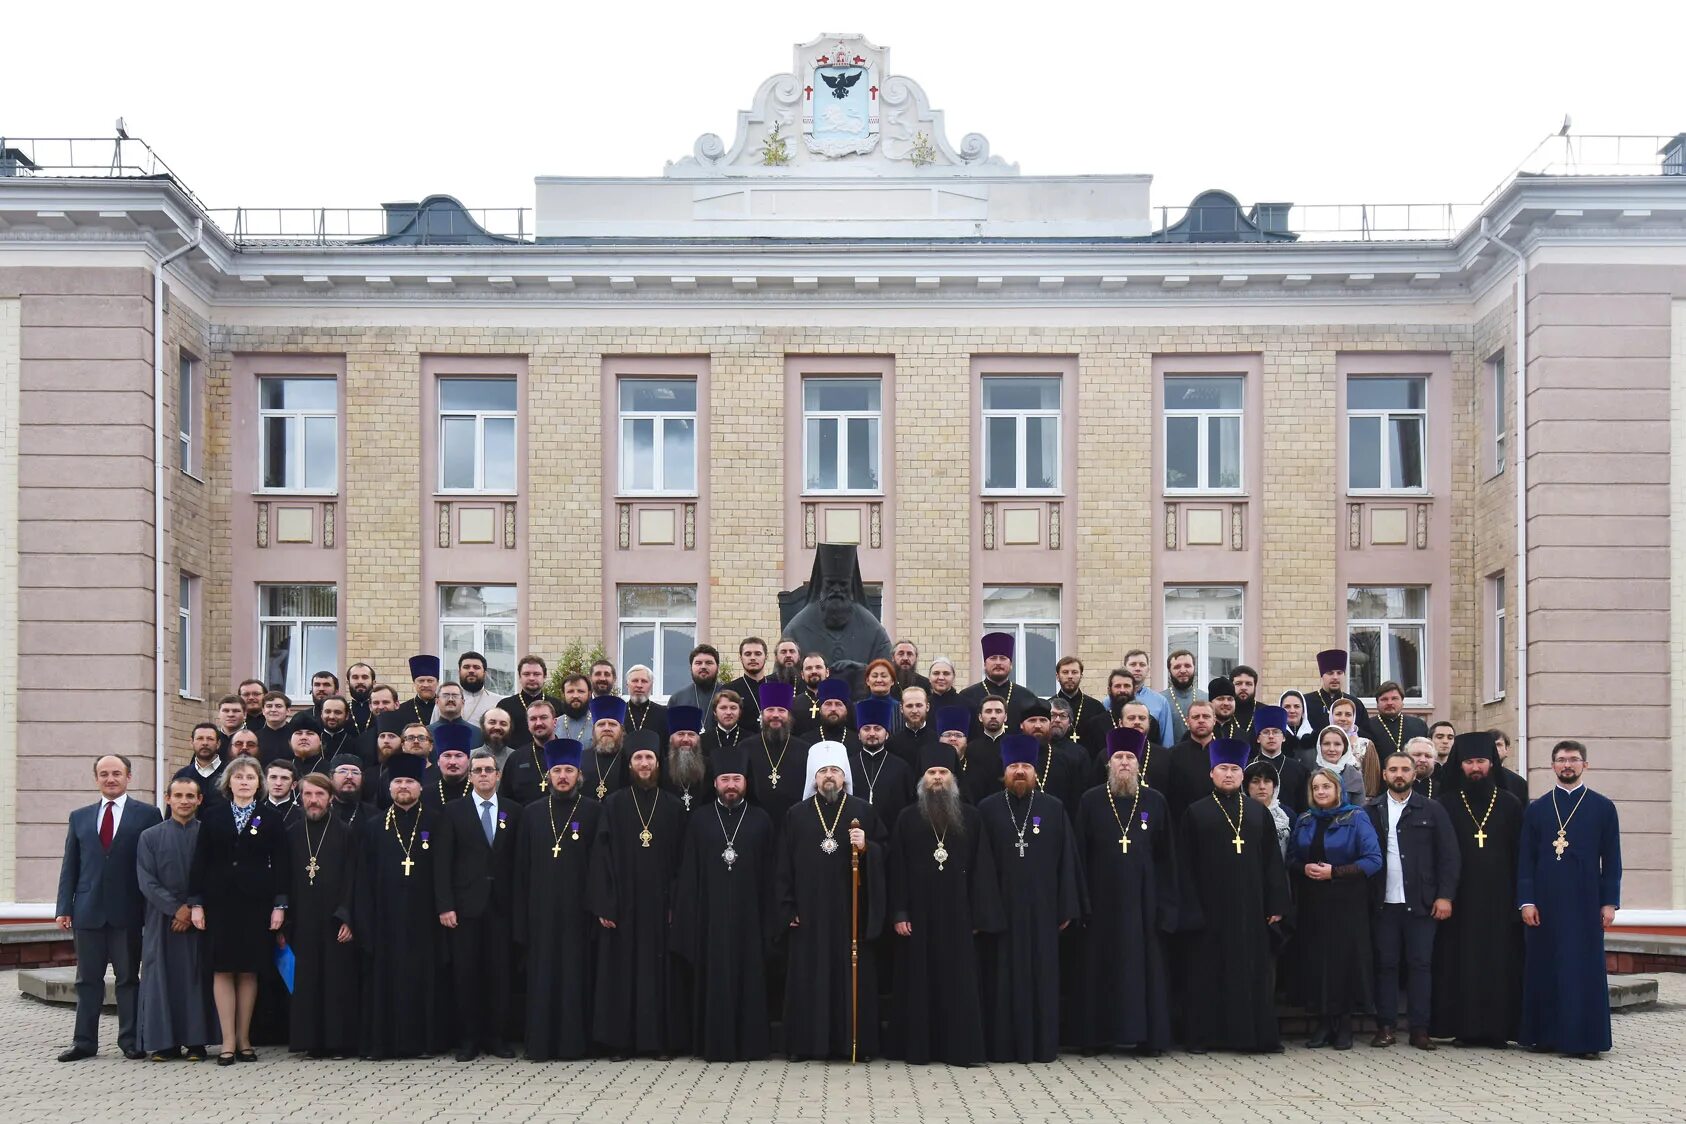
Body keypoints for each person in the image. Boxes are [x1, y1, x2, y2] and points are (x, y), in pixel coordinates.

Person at [886, 744, 1002, 1066]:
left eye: (943, 773)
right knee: (918, 981)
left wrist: (980, 914)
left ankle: (960, 1050)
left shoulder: (972, 817)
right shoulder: (907, 818)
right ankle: (920, 1049)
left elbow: (983, 869)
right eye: (931, 773)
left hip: (959, 913)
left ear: (953, 779)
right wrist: (899, 912)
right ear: (922, 780)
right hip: (918, 915)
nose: (937, 778)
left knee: (959, 980)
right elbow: (897, 869)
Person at [1174, 738, 1290, 1054]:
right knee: (1206, 973)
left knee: (1250, 972)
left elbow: (1272, 863)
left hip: (1251, 908)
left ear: (1242, 775)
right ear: (1212, 773)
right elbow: (1184, 865)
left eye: (1235, 769)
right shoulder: (1195, 813)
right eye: (1223, 768)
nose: (1229, 774)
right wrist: (1191, 908)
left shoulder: (1257, 813)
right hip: (1209, 910)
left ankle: (1250, 1037)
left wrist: (1276, 905)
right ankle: (1203, 1037)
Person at [776, 741, 885, 1061]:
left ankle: (856, 1044)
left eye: (835, 771)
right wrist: (787, 906)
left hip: (850, 911)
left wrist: (867, 847)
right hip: (808, 914)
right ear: (813, 778)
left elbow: (885, 852)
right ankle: (806, 1045)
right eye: (823, 771)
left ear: (844, 777)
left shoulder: (862, 810)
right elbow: (782, 865)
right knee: (809, 976)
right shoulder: (796, 815)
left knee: (853, 977)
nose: (829, 777)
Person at [976, 734, 1082, 1063]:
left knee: (1042, 977)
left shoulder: (1053, 807)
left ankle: (1042, 1046)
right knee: (1001, 978)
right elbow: (980, 864)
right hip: (1001, 910)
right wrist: (984, 910)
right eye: (1013, 766)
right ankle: (1002, 1047)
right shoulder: (988, 808)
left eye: (1025, 766)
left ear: (1035, 773)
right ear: (1003, 772)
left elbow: (1068, 861)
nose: (1019, 771)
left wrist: (1067, 906)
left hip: (1043, 909)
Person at [1072, 728, 1177, 1056]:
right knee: (1099, 968)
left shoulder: (1155, 801)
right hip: (1101, 901)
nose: (1124, 763)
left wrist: (1166, 907)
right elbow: (1079, 854)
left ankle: (1146, 1038)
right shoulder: (1090, 800)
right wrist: (1082, 903)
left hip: (1143, 903)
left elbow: (1167, 858)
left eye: (1130, 757)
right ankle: (1097, 1037)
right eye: (1118, 757)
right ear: (1108, 763)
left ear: (1139, 763)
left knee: (1142, 969)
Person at [669, 744, 776, 1062]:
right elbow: (688, 873)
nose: (731, 785)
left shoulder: (761, 820)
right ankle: (712, 1045)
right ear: (714, 783)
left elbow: (771, 874)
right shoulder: (700, 820)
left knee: (751, 978)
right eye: (725, 779)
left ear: (747, 783)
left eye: (737, 779)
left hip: (750, 918)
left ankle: (752, 1046)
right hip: (710, 918)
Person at [1518, 740, 1622, 1059]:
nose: (1567, 765)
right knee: (1546, 966)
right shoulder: (1537, 808)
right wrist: (1526, 901)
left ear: (1584, 766)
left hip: (1585, 900)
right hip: (1545, 902)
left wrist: (1609, 902)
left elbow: (1612, 860)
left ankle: (1584, 1040)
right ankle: (1546, 1036)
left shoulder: (1603, 807)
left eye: (1573, 760)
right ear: (1552, 766)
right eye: (1561, 760)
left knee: (1581, 968)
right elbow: (1526, 859)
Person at [55, 754, 161, 1062]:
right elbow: (70, 865)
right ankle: (84, 1043)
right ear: (96, 778)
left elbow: (151, 865)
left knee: (128, 979)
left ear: (129, 777)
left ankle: (131, 1040)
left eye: (116, 773)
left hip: (127, 911)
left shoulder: (147, 814)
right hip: (87, 911)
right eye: (104, 774)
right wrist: (64, 906)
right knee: (87, 981)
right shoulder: (80, 817)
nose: (110, 778)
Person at [188, 756, 291, 1065]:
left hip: (256, 904)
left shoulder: (270, 817)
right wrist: (196, 903)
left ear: (258, 783)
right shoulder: (212, 816)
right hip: (219, 903)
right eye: (238, 777)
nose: (244, 781)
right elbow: (199, 861)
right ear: (228, 782)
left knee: (248, 970)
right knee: (222, 969)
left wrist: (280, 905)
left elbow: (283, 864)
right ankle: (228, 1041)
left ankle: (245, 1038)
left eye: (250, 777)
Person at [590, 738, 685, 1059]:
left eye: (649, 758)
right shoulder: (614, 804)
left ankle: (657, 1043)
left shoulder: (672, 805)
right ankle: (620, 1043)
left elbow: (682, 861)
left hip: (660, 905)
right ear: (629, 765)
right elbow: (600, 856)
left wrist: (675, 903)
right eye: (638, 759)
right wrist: (605, 902)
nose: (644, 764)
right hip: (623, 905)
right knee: (621, 973)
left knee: (658, 976)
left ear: (658, 764)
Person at [511, 739, 602, 1061]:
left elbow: (600, 865)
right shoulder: (532, 813)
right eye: (557, 771)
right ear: (548, 775)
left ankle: (576, 1045)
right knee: (543, 976)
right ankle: (541, 1045)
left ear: (579, 775)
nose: (563, 776)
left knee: (577, 976)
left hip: (579, 910)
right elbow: (521, 869)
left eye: (569, 771)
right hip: (541, 912)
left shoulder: (593, 811)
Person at [1432, 732, 1524, 1046]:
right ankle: (1465, 1029)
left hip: (1500, 899)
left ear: (1491, 763)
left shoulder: (1510, 804)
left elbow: (1519, 855)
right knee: (1462, 962)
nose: (1475, 768)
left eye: (1481, 762)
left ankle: (1499, 1030)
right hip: (1460, 899)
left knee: (1499, 963)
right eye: (1469, 762)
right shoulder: (1444, 804)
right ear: (1459, 765)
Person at [1364, 750, 1460, 1050]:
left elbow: (1449, 856)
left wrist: (1445, 896)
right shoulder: (1371, 810)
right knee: (1386, 965)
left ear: (1414, 774)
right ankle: (1386, 1027)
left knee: (1420, 965)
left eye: (1405, 769)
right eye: (1393, 769)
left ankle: (1420, 1029)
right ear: (1384, 775)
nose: (1399, 774)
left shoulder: (1432, 810)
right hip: (1383, 903)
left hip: (1421, 902)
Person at [356, 751, 444, 1059]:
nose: (403, 786)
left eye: (409, 781)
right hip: (385, 917)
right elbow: (363, 877)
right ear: (389, 787)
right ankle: (382, 1044)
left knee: (422, 979)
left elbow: (444, 871)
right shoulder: (373, 825)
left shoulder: (436, 821)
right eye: (398, 782)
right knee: (384, 981)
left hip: (424, 917)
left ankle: (422, 1044)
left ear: (421, 787)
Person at [1287, 769, 1383, 1050]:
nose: (1320, 792)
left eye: (1326, 787)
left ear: (1338, 789)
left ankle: (1344, 1026)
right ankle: (1323, 1023)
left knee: (1344, 961)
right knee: (1317, 961)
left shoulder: (1356, 817)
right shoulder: (1304, 820)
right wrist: (1303, 867)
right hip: (1313, 901)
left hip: (1346, 901)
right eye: (1316, 788)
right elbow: (1292, 857)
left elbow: (1373, 860)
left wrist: (1336, 872)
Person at [435, 748, 518, 1060]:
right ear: (469, 777)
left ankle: (497, 1038)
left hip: (501, 908)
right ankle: (469, 1040)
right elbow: (443, 862)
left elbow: (518, 864)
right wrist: (445, 905)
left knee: (499, 976)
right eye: (478, 771)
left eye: (489, 770)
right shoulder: (453, 812)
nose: (484, 775)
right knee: (466, 976)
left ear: (498, 776)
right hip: (464, 909)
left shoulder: (514, 810)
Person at [135, 778, 216, 1061]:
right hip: (161, 920)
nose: (184, 801)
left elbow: (214, 877)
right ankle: (165, 1043)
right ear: (167, 799)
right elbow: (146, 880)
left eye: (190, 796)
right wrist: (175, 909)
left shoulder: (208, 834)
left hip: (199, 918)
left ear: (199, 800)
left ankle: (196, 1042)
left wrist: (193, 907)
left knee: (195, 979)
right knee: (161, 978)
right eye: (178, 795)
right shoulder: (150, 836)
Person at [285, 773, 360, 1059]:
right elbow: (284, 877)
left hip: (335, 918)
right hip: (303, 917)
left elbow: (354, 878)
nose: (313, 801)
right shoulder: (292, 832)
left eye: (319, 795)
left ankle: (338, 1042)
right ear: (300, 797)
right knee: (307, 979)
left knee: (336, 980)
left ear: (330, 798)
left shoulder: (346, 832)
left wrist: (347, 916)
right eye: (308, 795)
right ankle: (311, 1041)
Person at [849, 697, 915, 832]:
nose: (872, 733)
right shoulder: (848, 766)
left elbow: (909, 808)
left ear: (886, 734)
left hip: (892, 836)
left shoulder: (902, 768)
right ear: (859, 735)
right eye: (866, 729)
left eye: (877, 728)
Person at [744, 684, 805, 829]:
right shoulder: (745, 747)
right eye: (770, 710)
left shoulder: (804, 749)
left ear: (789, 715)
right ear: (762, 714)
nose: (775, 715)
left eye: (781, 710)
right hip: (753, 824)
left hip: (793, 823)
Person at [1248, 705, 1309, 817]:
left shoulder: (1300, 770)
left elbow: (1304, 809)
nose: (1271, 736)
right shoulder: (1248, 768)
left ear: (1284, 737)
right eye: (1266, 732)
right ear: (1258, 738)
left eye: (1276, 732)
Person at [959, 632, 1031, 728]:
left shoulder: (1026, 697)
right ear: (985, 664)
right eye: (993, 658)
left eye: (1003, 658)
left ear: (1011, 665)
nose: (998, 663)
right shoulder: (966, 696)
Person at [1164, 699, 1219, 819]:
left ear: (1214, 720)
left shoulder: (1223, 753)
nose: (1201, 720)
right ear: (1188, 721)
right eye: (1196, 717)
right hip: (1182, 821)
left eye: (1206, 716)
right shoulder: (1172, 755)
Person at [497, 654, 562, 748]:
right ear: (519, 677)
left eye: (536, 674)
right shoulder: (505, 706)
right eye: (526, 674)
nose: (531, 678)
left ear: (544, 677)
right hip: (516, 759)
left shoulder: (557, 705)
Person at [1305, 648, 1372, 737]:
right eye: (1330, 673)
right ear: (1322, 676)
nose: (1335, 677)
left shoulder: (1355, 704)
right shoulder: (1306, 702)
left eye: (1339, 673)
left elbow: (1367, 735)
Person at [658, 708, 711, 814]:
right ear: (671, 739)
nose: (686, 739)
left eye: (691, 734)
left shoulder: (710, 766)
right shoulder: (661, 767)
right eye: (680, 734)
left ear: (698, 739)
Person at [578, 695, 630, 801]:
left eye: (612, 724)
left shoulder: (629, 759)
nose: (606, 728)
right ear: (593, 730)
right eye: (601, 724)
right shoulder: (580, 758)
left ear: (622, 730)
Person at [1121, 649, 1174, 749]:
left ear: (1148, 669)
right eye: (1133, 664)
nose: (1138, 668)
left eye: (1142, 665)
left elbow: (1166, 741)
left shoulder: (1160, 701)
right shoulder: (1111, 701)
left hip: (1151, 758)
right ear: (1124, 668)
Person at [1328, 697, 1379, 797]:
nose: (1343, 718)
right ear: (1331, 716)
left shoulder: (1365, 745)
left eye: (1348, 714)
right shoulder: (1322, 744)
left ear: (1354, 717)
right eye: (1338, 714)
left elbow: (1371, 782)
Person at [1369, 682, 1429, 760]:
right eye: (1384, 699)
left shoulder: (1418, 725)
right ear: (1377, 703)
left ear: (1402, 702)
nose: (1389, 703)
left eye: (1394, 698)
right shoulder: (1367, 726)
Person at [1245, 760, 1291, 859]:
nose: (1262, 787)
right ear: (1246, 787)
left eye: (1267, 781)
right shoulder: (1238, 813)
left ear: (1275, 786)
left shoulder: (1287, 814)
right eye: (1255, 781)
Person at [174, 722, 228, 807]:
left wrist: (256, 821)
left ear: (218, 744)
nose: (205, 743)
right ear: (191, 742)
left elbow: (256, 814)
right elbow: (171, 813)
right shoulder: (181, 775)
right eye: (200, 738)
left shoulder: (231, 774)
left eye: (210, 739)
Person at [1311, 725, 1367, 807]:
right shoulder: (1311, 773)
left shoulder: (1354, 775)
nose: (1332, 749)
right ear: (1319, 747)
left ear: (1344, 747)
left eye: (1337, 744)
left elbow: (1359, 809)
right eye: (1326, 744)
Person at [422, 723, 473, 808]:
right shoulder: (424, 795)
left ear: (468, 761)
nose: (452, 762)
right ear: (438, 761)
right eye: (447, 756)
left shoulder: (479, 793)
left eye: (458, 756)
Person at [724, 637, 768, 734]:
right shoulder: (729, 690)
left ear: (766, 657)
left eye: (758, 654)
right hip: (742, 745)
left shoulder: (776, 687)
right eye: (748, 654)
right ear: (741, 658)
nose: (753, 658)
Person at [1162, 649, 1205, 745]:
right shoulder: (1160, 700)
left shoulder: (1206, 698)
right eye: (1177, 667)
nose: (1183, 670)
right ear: (1169, 671)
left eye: (1187, 666)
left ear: (1194, 668)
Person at [395, 654, 441, 729]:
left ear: (437, 683)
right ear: (414, 683)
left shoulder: (445, 708)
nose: (426, 685)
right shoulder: (401, 710)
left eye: (430, 681)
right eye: (421, 681)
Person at [1488, 729, 1532, 806]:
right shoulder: (1474, 778)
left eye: (1499, 744)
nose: (1495, 748)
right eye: (1491, 744)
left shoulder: (1519, 783)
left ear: (1507, 749)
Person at [453, 650, 497, 726]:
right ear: (459, 672)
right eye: (466, 667)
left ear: (485, 673)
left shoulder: (497, 701)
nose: (471, 671)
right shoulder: (444, 700)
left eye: (476, 667)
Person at [1279, 690, 1318, 766]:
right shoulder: (1275, 736)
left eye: (1296, 706)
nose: (1292, 711)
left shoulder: (1314, 737)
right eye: (1287, 707)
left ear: (1303, 710)